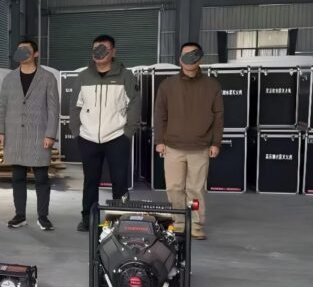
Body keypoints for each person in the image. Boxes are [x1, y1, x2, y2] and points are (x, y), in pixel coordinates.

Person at [70, 34, 140, 232]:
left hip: (117, 138)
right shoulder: (83, 77)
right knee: (90, 181)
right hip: (88, 138)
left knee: (120, 181)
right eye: (96, 49)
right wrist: (77, 131)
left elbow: (134, 104)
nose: (99, 53)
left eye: (104, 49)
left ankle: (120, 220)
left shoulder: (125, 76)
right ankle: (88, 219)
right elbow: (75, 106)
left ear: (113, 52)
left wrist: (128, 132)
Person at [154, 42, 224, 240]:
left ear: (200, 58)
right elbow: (160, 115)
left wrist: (216, 143)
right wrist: (159, 140)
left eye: (194, 55)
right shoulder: (167, 85)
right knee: (174, 188)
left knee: (196, 190)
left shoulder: (212, 86)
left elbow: (219, 116)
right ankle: (178, 222)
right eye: (185, 55)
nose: (189, 59)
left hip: (200, 148)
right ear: (179, 59)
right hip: (172, 147)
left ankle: (196, 224)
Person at [0, 40, 59, 231]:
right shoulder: (9, 78)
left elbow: (53, 109)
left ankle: (43, 216)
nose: (22, 52)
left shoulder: (47, 78)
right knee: (17, 177)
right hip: (15, 135)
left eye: (26, 50)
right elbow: (2, 106)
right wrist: (0, 131)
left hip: (39, 135)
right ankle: (20, 215)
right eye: (19, 49)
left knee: (41, 178)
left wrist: (50, 134)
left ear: (36, 54)